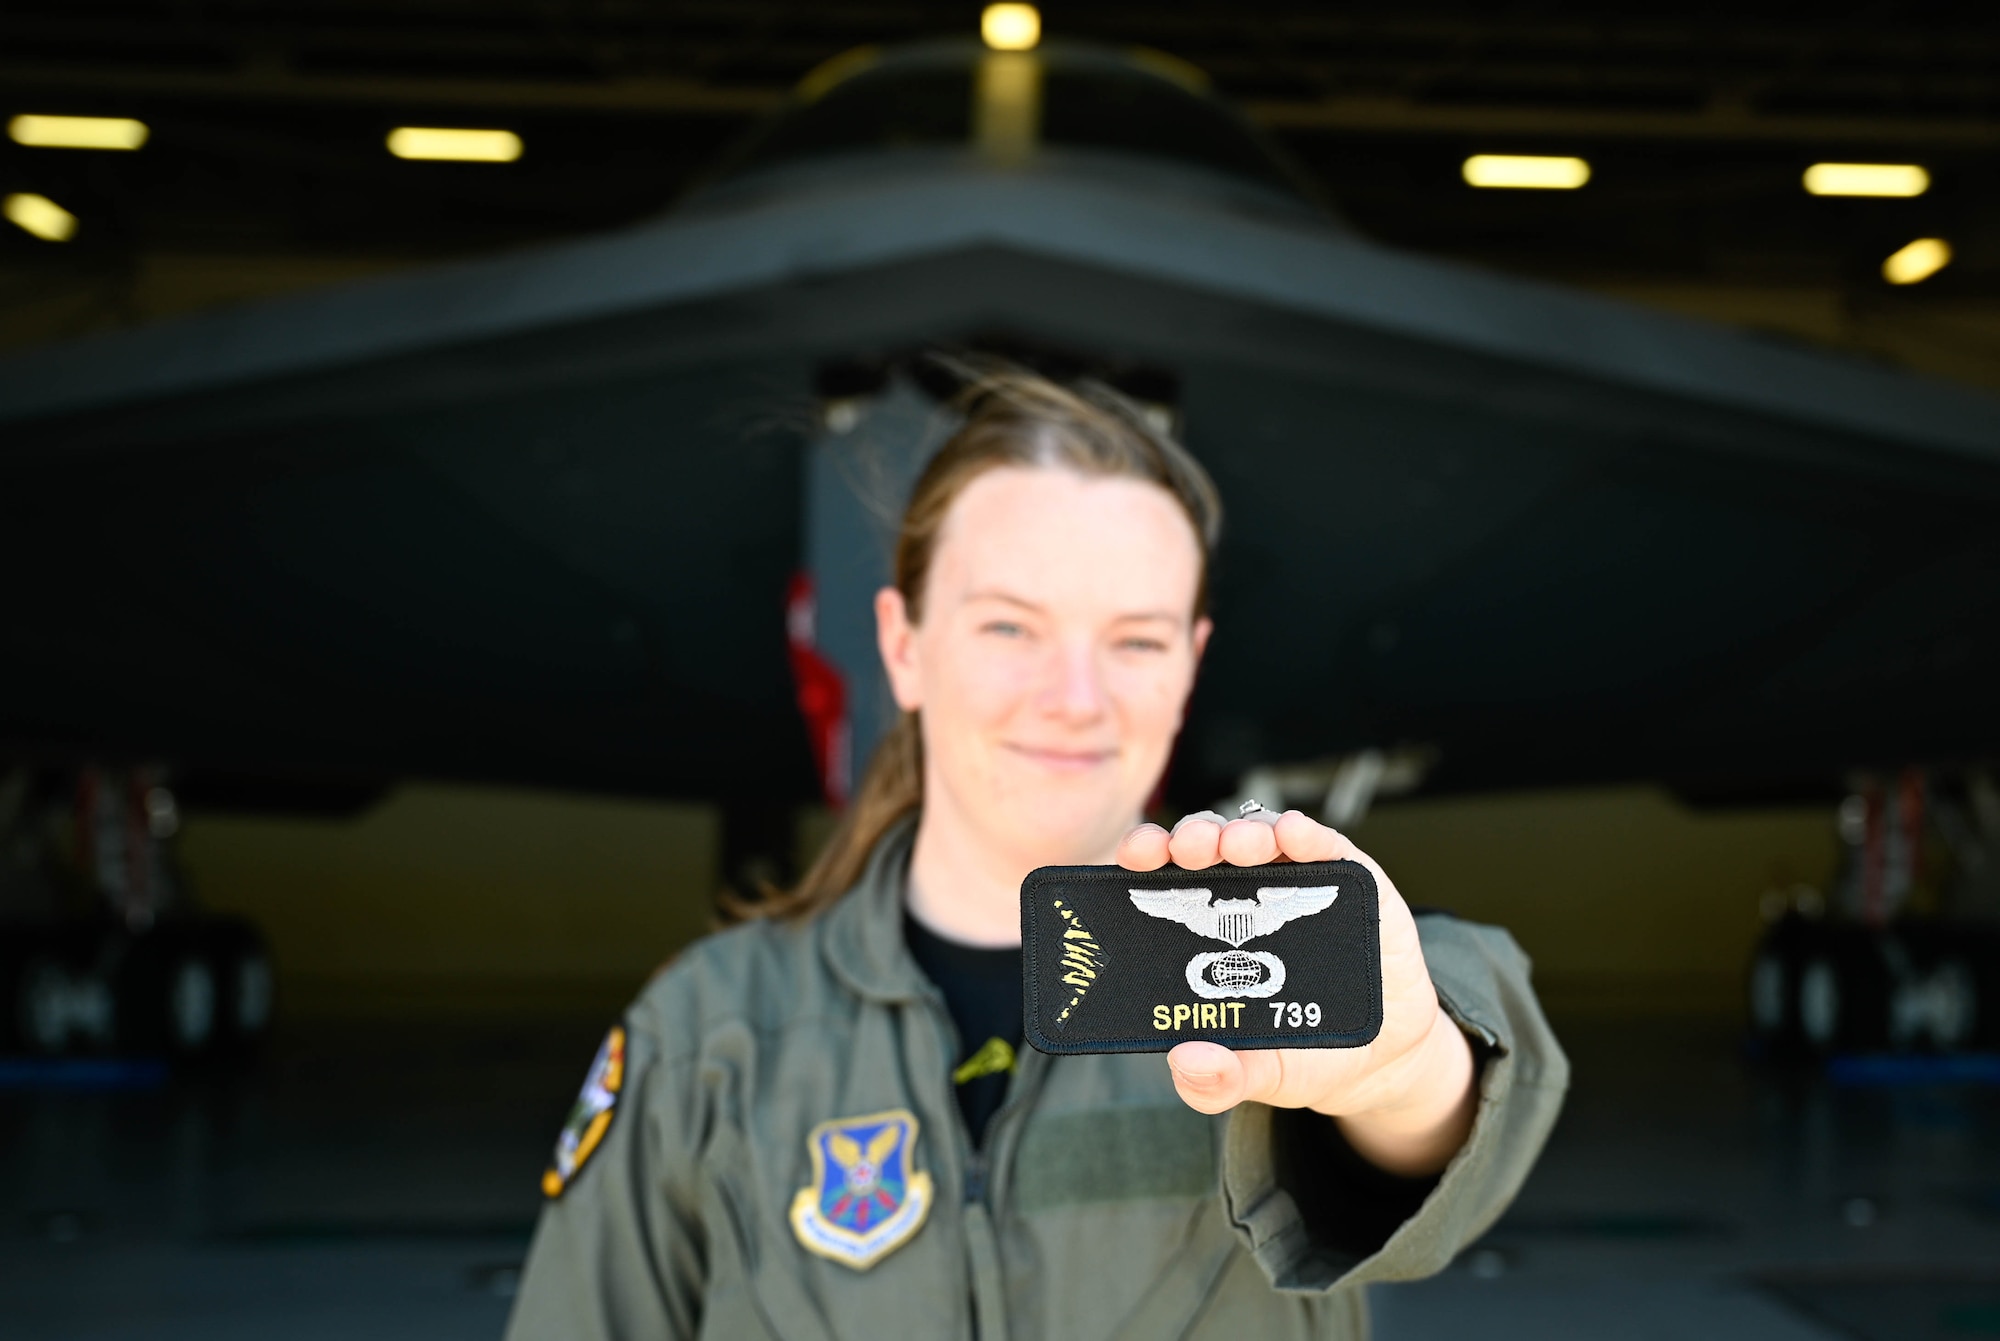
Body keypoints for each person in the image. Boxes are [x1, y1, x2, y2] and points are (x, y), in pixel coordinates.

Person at [506, 367, 1567, 1341]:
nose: (1073, 699)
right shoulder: (710, 1035)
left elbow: (1448, 1065)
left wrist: (1399, 1067)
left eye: (1135, 639)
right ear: (902, 644)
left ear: (1188, 664)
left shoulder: (1268, 987)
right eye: (1008, 628)